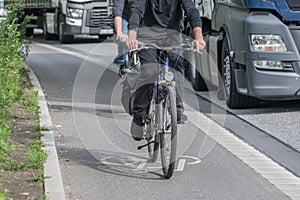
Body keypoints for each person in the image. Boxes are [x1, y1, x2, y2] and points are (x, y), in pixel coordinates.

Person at [126, 0, 206, 140]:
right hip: (147, 37)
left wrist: (198, 37)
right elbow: (136, 10)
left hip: (171, 36)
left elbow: (191, 11)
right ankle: (139, 116)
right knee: (149, 73)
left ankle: (177, 108)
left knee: (177, 68)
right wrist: (132, 37)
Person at [113, 0, 132, 77]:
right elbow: (118, 11)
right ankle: (123, 62)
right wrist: (119, 33)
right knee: (123, 38)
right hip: (126, 17)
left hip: (142, 17)